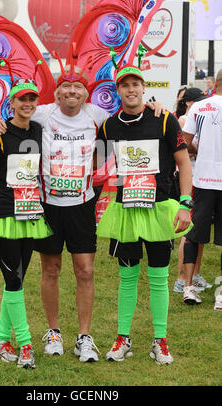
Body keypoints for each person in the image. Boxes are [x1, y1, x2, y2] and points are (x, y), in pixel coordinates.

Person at [0, 61, 165, 363]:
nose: (72, 91)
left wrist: (155, 105)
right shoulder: (41, 114)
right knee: (50, 270)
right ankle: (53, 332)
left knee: (86, 271)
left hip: (82, 206)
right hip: (48, 206)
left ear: (86, 93)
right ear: (57, 92)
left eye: (78, 86)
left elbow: (131, 116)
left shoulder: (98, 116)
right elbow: (10, 122)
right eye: (66, 85)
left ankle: (84, 336)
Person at [96, 64, 192, 365]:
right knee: (127, 278)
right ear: (119, 90)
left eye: (136, 84)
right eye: (125, 85)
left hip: (160, 209)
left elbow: (184, 162)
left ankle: (160, 341)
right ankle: (123, 339)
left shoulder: (164, 119)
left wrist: (186, 203)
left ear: (143, 86)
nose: (131, 89)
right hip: (127, 211)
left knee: (159, 277)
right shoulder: (109, 126)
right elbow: (98, 167)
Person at [0, 78, 52, 369]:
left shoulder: (38, 129)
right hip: (3, 214)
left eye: (32, 99)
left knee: (16, 279)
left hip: (30, 214)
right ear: (12, 103)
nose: (27, 104)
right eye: (22, 99)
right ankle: (26, 344)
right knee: (14, 280)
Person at [182, 69, 222, 309]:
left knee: (194, 235)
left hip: (203, 180)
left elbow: (184, 144)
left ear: (215, 83)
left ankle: (188, 287)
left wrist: (202, 149)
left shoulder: (199, 106)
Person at [173, 88, 212, 294]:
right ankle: (181, 278)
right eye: (197, 101)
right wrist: (204, 147)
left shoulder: (198, 118)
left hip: (201, 179)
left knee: (199, 230)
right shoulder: (182, 121)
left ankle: (194, 275)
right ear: (188, 102)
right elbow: (184, 147)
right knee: (190, 230)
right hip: (191, 179)